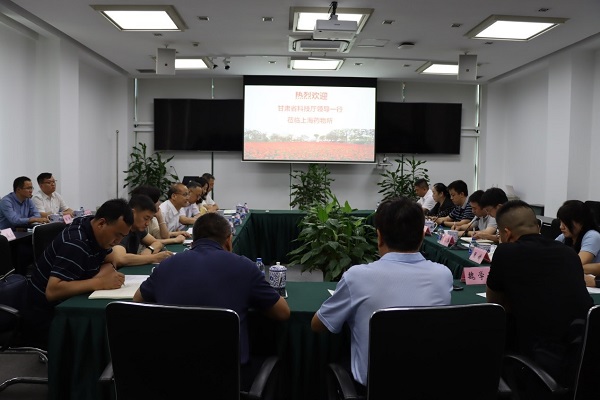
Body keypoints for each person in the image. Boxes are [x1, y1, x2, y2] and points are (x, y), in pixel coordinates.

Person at [133, 213, 290, 390]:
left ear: (193, 241)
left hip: (170, 376)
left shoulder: (166, 265)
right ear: (228, 240)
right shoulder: (244, 266)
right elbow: (282, 313)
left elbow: (137, 299)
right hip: (228, 379)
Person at [311, 197, 453, 389]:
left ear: (379, 237)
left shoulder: (357, 277)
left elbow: (318, 325)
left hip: (373, 388)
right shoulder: (443, 275)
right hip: (429, 386)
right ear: (422, 236)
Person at [486, 200, 593, 383]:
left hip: (542, 359)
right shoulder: (568, 253)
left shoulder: (505, 252)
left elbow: (495, 305)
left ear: (507, 233)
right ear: (538, 227)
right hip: (583, 355)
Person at [26, 198, 133, 347]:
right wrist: (100, 282)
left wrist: (100, 275)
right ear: (101, 223)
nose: (118, 241)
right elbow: (53, 291)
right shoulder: (75, 242)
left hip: (70, 302)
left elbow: (111, 259)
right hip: (50, 316)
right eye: (117, 235)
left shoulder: (93, 229)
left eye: (122, 237)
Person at [105, 195, 173, 267]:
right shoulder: (122, 229)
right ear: (133, 213)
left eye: (150, 219)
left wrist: (150, 249)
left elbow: (157, 243)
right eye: (146, 218)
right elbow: (119, 258)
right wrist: (154, 258)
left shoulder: (137, 229)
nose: (147, 224)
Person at [555, 200, 600, 276]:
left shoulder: (593, 236)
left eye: (566, 223)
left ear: (581, 222)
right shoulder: (564, 237)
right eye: (561, 222)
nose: (561, 227)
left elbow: (577, 263)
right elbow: (550, 254)